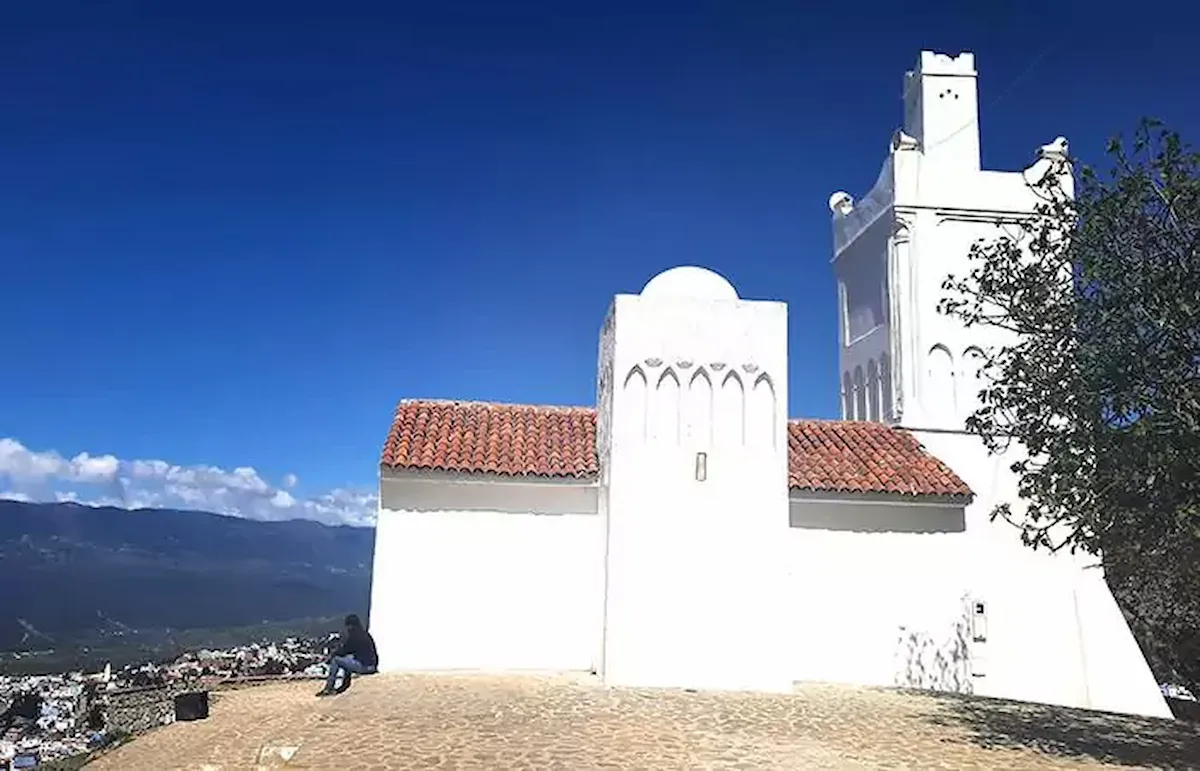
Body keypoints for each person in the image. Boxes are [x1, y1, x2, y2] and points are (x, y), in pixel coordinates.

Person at [317, 614, 379, 696]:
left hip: (364, 667)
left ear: (350, 625)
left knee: (336, 660)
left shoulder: (354, 636)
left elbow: (344, 650)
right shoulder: (365, 634)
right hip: (372, 666)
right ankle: (344, 685)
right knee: (347, 658)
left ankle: (328, 688)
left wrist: (332, 656)